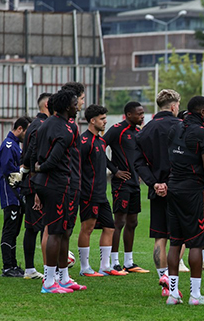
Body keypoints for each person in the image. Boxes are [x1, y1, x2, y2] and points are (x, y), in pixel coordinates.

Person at [165, 96, 204, 305]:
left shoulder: (175, 129)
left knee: (175, 242)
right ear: (201, 112)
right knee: (196, 242)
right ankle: (195, 295)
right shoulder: (202, 133)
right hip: (192, 191)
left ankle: (172, 294)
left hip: (173, 188)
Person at [31, 89, 86, 293]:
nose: (77, 106)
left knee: (63, 231)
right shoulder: (64, 129)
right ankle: (48, 282)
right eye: (74, 103)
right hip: (57, 184)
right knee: (55, 232)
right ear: (65, 107)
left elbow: (34, 152)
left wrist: (35, 169)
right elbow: (52, 160)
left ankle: (62, 278)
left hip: (50, 184)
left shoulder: (47, 125)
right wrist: (40, 167)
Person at [133, 90, 185, 295]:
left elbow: (138, 162)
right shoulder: (181, 126)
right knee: (181, 238)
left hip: (157, 190)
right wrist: (169, 183)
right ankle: (170, 279)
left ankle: (162, 276)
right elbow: (185, 158)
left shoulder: (145, 130)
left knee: (160, 237)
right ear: (173, 106)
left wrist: (154, 183)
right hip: (179, 188)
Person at [104, 101, 148, 273]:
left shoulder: (138, 132)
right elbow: (100, 147)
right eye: (139, 113)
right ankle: (114, 261)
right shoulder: (117, 130)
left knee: (133, 222)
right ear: (129, 115)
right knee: (119, 221)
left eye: (143, 113)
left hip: (135, 183)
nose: (142, 116)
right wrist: (114, 170)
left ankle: (129, 262)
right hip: (121, 183)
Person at [77, 104, 119, 277]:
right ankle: (84, 267)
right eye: (102, 119)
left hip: (102, 194)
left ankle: (105, 266)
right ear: (92, 121)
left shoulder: (101, 142)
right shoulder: (84, 141)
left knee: (109, 227)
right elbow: (77, 167)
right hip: (88, 193)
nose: (105, 121)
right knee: (87, 228)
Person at [18, 92, 52, 279]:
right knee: (36, 226)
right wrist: (35, 177)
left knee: (37, 226)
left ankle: (38, 268)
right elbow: (31, 155)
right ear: (47, 104)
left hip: (33, 181)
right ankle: (34, 269)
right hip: (35, 182)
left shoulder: (35, 125)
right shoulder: (41, 126)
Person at [0, 116, 30, 277]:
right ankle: (7, 267)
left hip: (17, 196)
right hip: (10, 195)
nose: (28, 134)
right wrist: (22, 169)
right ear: (20, 129)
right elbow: (8, 171)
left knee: (15, 231)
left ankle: (12, 265)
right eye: (27, 131)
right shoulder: (9, 145)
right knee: (9, 231)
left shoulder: (16, 146)